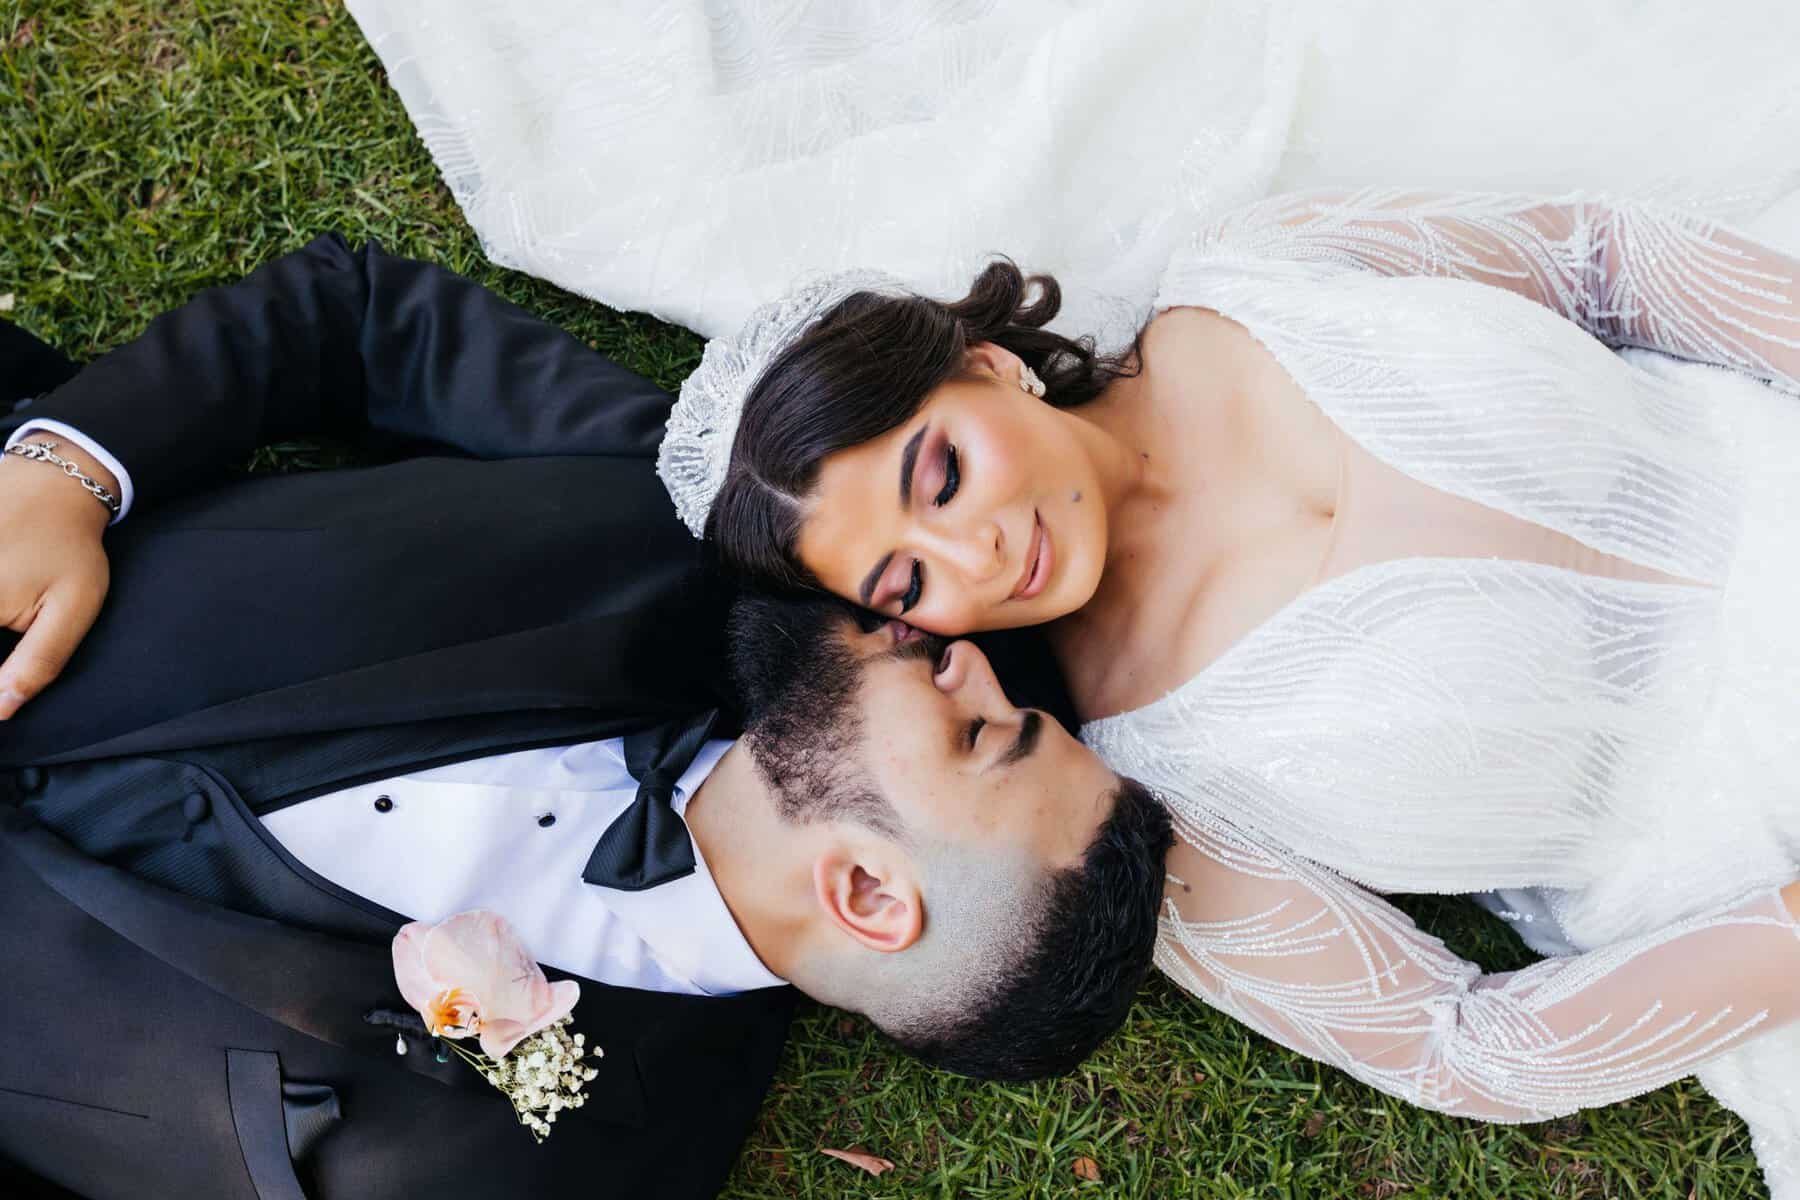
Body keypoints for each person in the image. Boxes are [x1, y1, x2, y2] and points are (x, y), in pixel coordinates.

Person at [667, 191, 1800, 1194]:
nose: (978, 558)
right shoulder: (1156, 802)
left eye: (944, 475)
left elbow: (1599, 260)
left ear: (986, 365)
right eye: (910, 579)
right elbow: (1455, 1045)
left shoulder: (1256, 273)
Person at [0, 238, 1171, 1199]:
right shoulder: (682, 535)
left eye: (980, 731)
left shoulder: (586, 1170)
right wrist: (66, 472)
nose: (971, 661)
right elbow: (364, 318)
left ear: (866, 893)